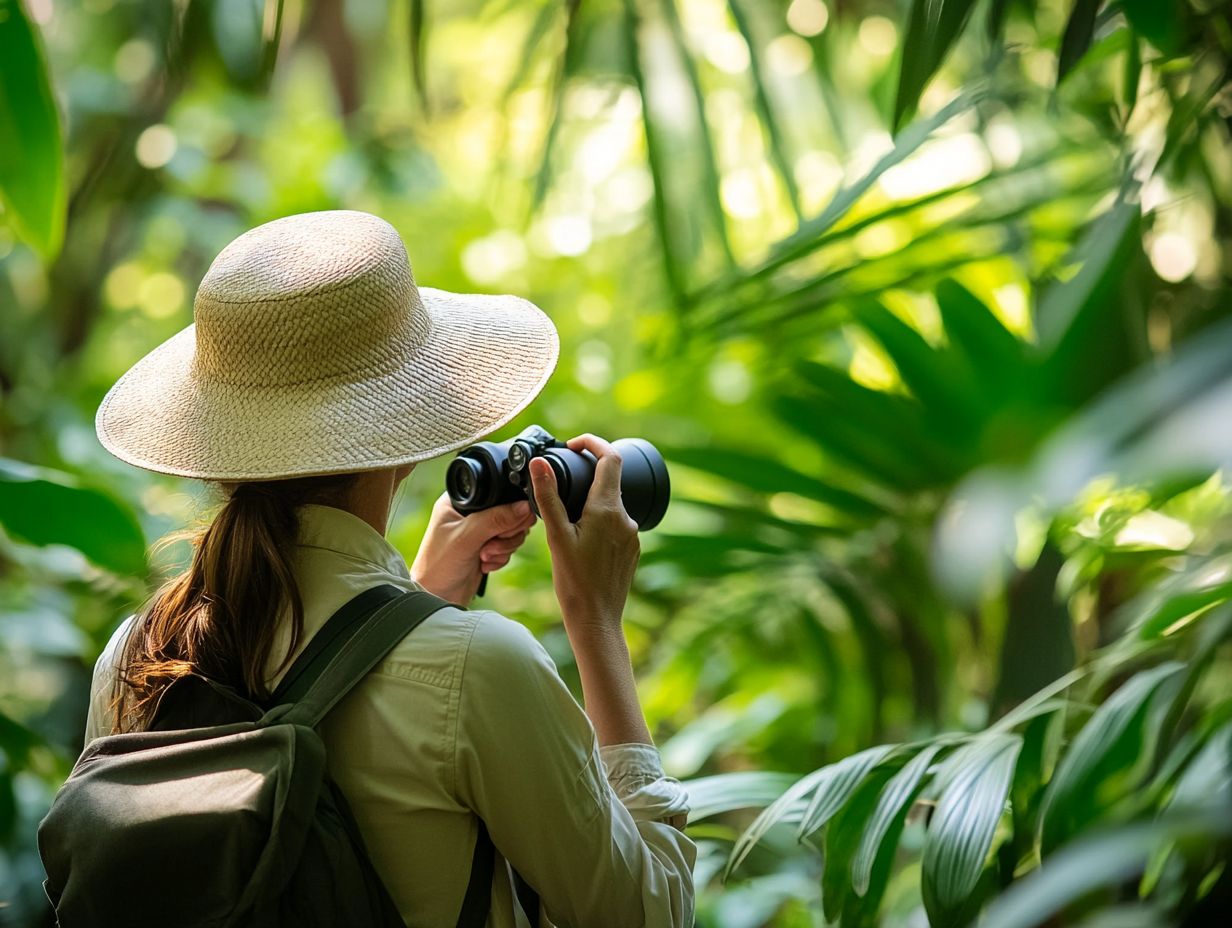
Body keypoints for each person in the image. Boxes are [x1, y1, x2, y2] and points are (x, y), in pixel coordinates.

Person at [83, 210, 696, 927]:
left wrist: (415, 603)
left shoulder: (137, 655)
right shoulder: (480, 670)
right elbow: (645, 915)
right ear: (406, 426)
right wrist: (595, 620)